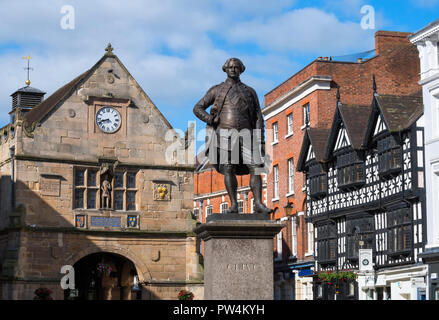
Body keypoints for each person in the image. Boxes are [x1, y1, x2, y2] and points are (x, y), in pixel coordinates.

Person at [193, 58, 272, 214]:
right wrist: (210, 119)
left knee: (255, 168)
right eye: (230, 67)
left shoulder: (250, 91)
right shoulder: (217, 90)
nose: (233, 70)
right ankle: (234, 204)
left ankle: (258, 203)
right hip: (225, 134)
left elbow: (257, 116)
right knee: (229, 168)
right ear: (225, 69)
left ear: (241, 69)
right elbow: (198, 108)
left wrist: (260, 140)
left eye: (236, 67)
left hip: (247, 134)